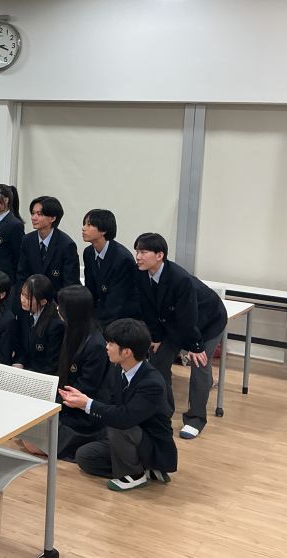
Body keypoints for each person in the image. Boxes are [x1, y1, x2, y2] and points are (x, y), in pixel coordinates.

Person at [60, 318, 177, 491]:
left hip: (149, 442)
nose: (106, 347)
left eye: (111, 344)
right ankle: (143, 468)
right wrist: (84, 401)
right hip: (125, 437)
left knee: (118, 424)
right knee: (85, 457)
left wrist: (87, 404)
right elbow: (110, 404)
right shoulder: (118, 369)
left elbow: (124, 417)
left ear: (127, 352)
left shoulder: (152, 382)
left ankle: (134, 474)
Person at [133, 232, 227, 440]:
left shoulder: (180, 279)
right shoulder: (140, 273)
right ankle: (162, 413)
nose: (138, 257)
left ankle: (195, 419)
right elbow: (147, 307)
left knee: (200, 365)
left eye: (143, 252)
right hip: (173, 322)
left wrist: (195, 346)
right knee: (158, 361)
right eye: (137, 251)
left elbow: (188, 316)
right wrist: (156, 336)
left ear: (160, 255)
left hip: (207, 322)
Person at [54, 285, 111, 461]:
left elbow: (87, 387)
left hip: (82, 411)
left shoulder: (96, 345)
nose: (57, 309)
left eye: (61, 306)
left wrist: (56, 403)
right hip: (66, 401)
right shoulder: (72, 330)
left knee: (33, 442)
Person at [81, 209, 139, 325]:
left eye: (89, 225)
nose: (83, 228)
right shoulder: (88, 252)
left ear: (103, 230)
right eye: (84, 224)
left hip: (121, 318)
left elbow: (117, 301)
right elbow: (90, 290)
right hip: (99, 312)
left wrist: (96, 326)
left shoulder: (122, 259)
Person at [17, 195, 80, 295]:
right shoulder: (27, 240)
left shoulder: (67, 245)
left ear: (53, 218)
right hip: (31, 297)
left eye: (39, 214)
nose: (34, 217)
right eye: (33, 213)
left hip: (57, 299)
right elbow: (22, 274)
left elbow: (70, 283)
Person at [13, 274, 63, 374]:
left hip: (41, 373)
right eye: (22, 294)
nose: (22, 299)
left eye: (27, 297)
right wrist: (19, 362)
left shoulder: (55, 325)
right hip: (25, 368)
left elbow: (51, 363)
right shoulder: (23, 311)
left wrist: (29, 373)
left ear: (43, 301)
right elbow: (21, 345)